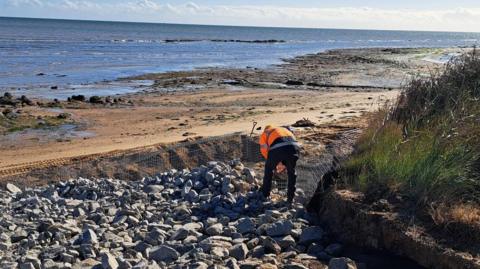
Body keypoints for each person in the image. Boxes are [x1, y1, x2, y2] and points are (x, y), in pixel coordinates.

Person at [259, 125, 300, 203]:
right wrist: (282, 163)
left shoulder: (265, 133)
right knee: (292, 173)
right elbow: (287, 146)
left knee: (268, 170)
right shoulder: (283, 130)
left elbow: (265, 152)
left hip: (278, 149)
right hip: (295, 148)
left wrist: (273, 164)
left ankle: (265, 194)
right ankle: (290, 199)